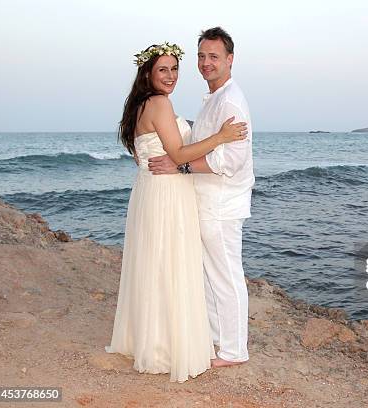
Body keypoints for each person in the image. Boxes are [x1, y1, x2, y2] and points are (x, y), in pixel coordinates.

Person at [105, 42, 247, 382]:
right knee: (169, 264)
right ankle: (167, 346)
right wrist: (221, 136)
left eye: (174, 68)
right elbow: (180, 154)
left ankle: (154, 339)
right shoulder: (158, 103)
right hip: (167, 193)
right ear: (148, 74)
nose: (171, 76)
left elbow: (151, 155)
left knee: (155, 263)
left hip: (149, 191)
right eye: (163, 69)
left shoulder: (139, 105)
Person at [148, 27, 254, 367]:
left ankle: (234, 351)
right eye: (202, 56)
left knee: (225, 275)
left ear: (230, 60)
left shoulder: (231, 101)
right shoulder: (214, 98)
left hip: (222, 203)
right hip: (206, 201)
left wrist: (181, 167)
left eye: (214, 57)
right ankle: (216, 342)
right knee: (210, 274)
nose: (206, 63)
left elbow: (232, 160)